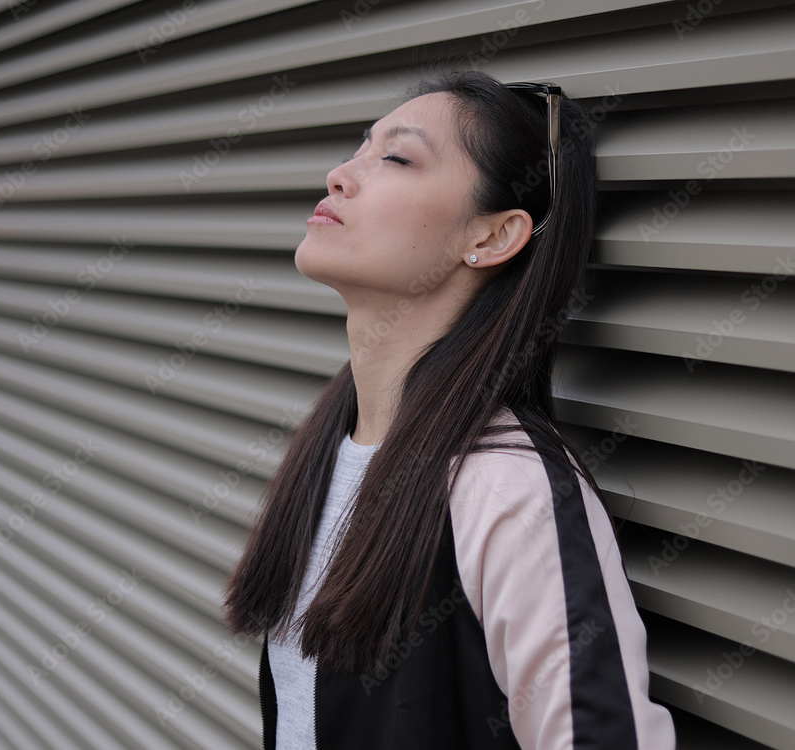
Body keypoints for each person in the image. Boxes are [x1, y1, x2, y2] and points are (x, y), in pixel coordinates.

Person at [223, 70, 676, 749]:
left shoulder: (504, 486)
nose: (340, 175)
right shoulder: (334, 447)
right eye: (360, 148)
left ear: (491, 238)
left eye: (396, 158)